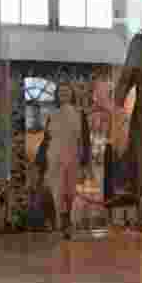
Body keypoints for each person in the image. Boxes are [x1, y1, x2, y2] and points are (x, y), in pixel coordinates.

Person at [45, 83, 84, 238]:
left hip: (73, 157)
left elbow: (84, 139)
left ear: (72, 94)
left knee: (70, 192)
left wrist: (84, 161)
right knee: (59, 191)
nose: (64, 94)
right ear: (56, 95)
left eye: (67, 92)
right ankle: (64, 222)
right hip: (55, 157)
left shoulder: (79, 113)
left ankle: (67, 219)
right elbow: (46, 139)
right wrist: (41, 161)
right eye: (61, 92)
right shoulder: (52, 115)